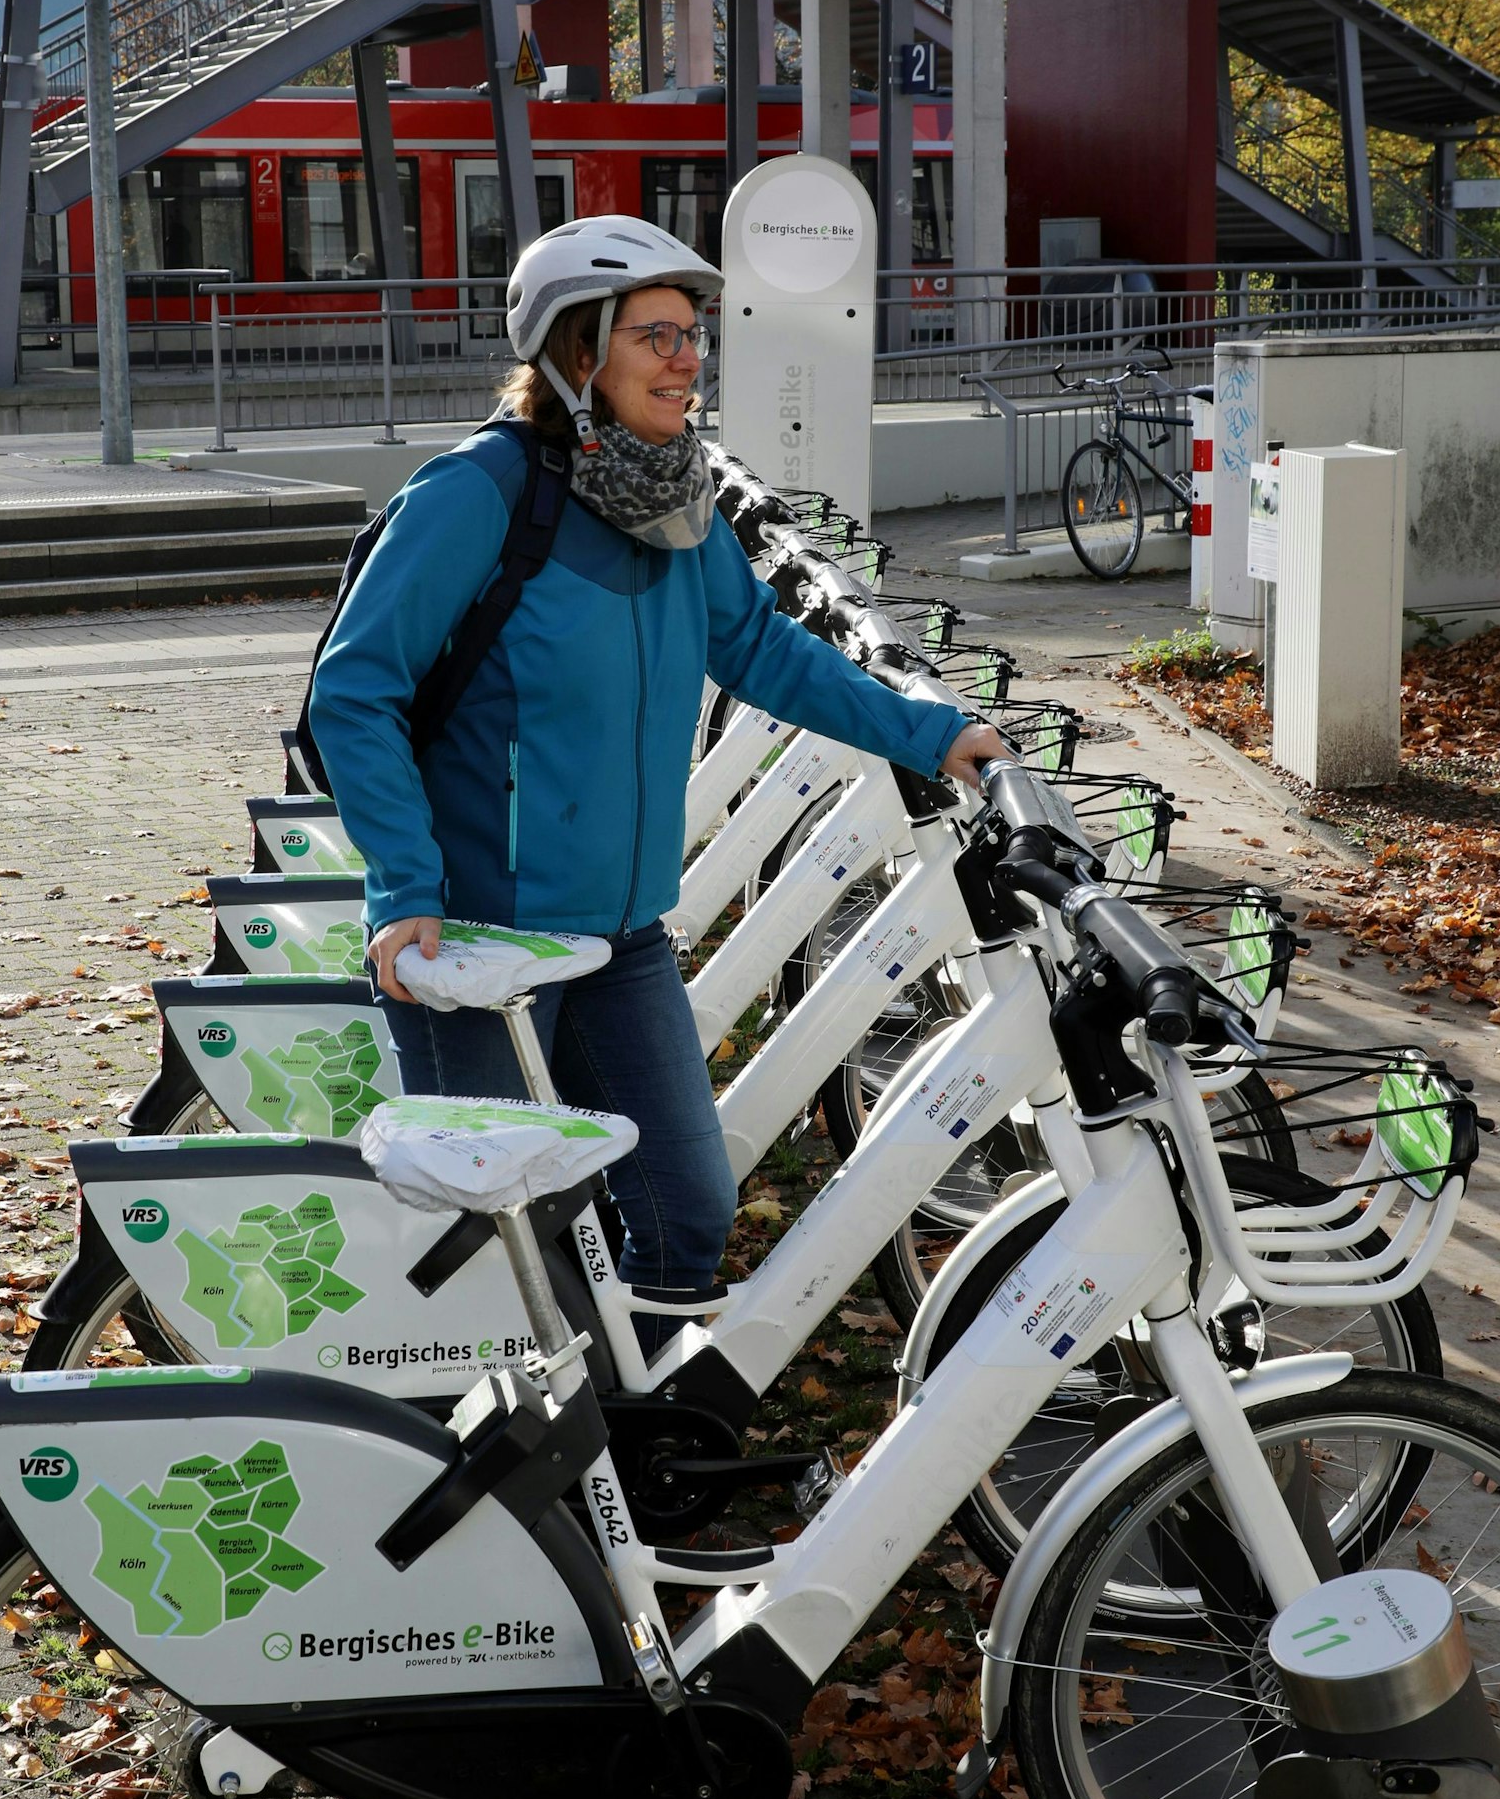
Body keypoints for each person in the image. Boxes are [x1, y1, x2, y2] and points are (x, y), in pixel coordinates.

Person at [307, 215, 1010, 1335]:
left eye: (694, 334)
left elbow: (762, 648)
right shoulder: (477, 495)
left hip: (622, 933)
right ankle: (492, 1456)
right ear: (577, 352)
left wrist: (927, 734)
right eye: (656, 335)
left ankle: (631, 1444)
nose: (689, 358)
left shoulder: (674, 498)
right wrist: (403, 887)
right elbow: (354, 691)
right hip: (476, 935)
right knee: (502, 1248)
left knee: (684, 1212)